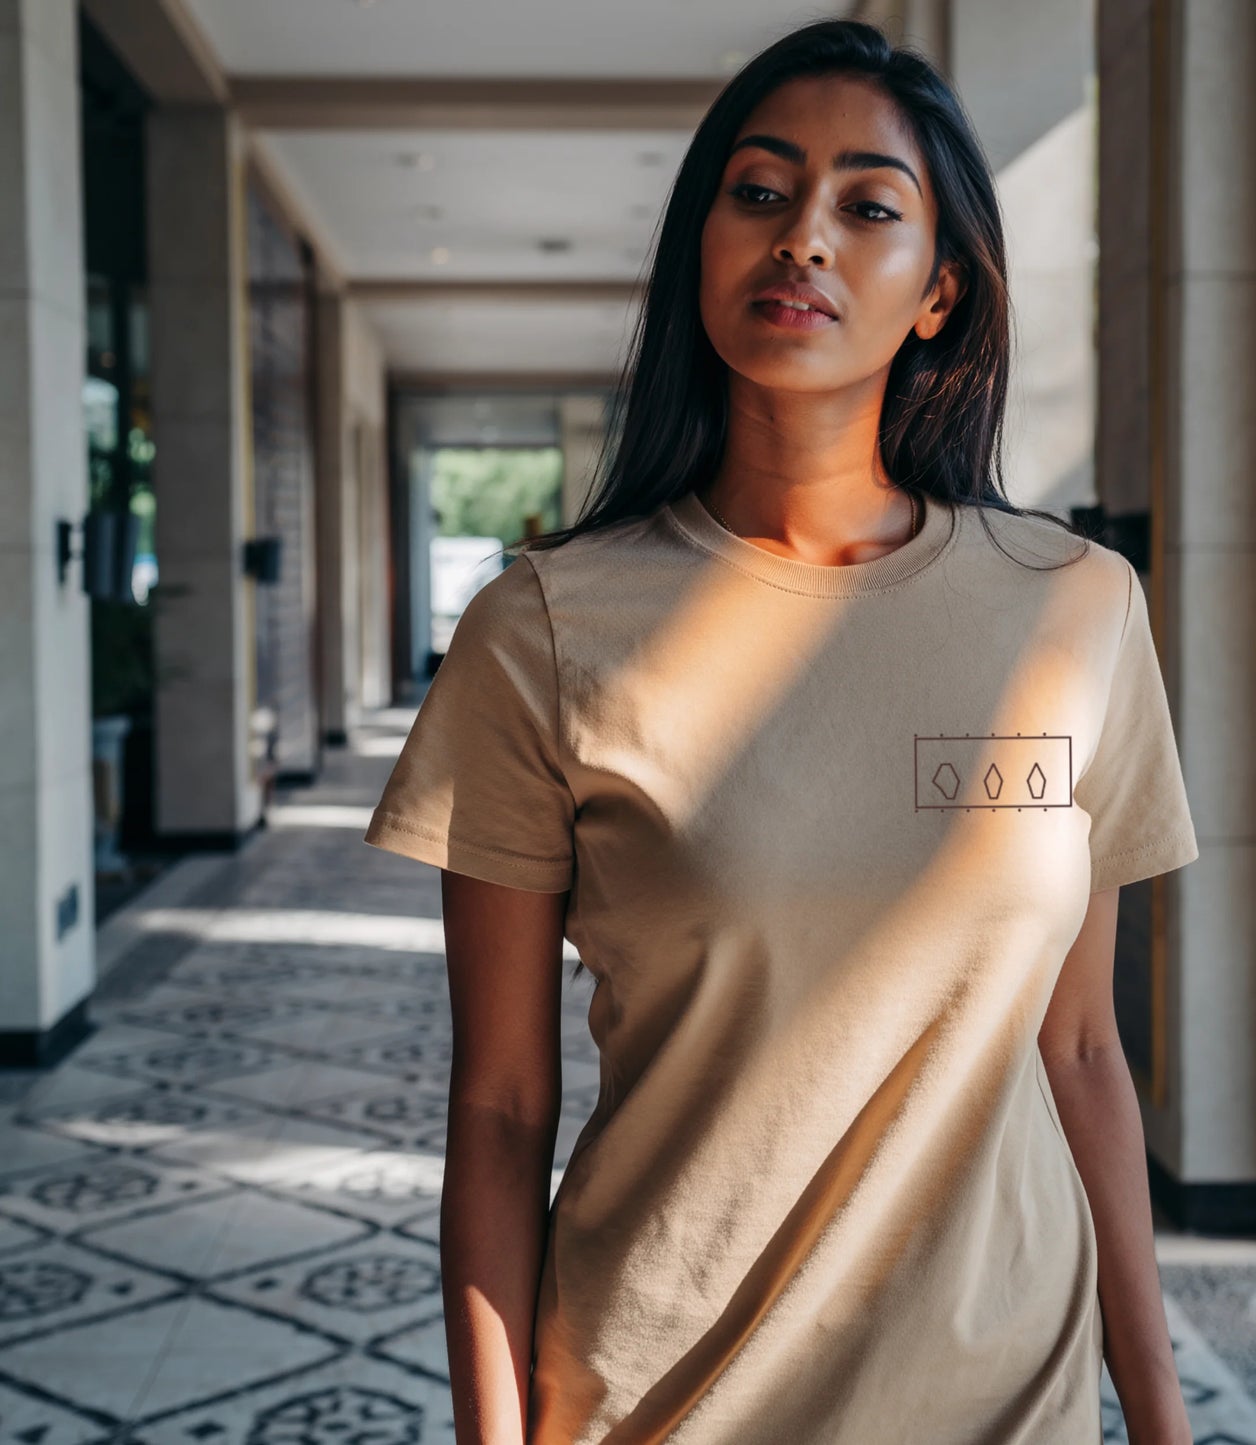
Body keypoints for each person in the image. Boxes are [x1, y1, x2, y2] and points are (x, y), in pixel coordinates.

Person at [363, 18, 1199, 1445]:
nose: (800, 237)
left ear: (937, 291)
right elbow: (501, 1105)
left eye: (865, 206)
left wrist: (1164, 1419)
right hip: (659, 1401)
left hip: (1005, 1402)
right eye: (758, 193)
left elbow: (1076, 1053)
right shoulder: (545, 628)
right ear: (702, 249)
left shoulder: (1074, 609)